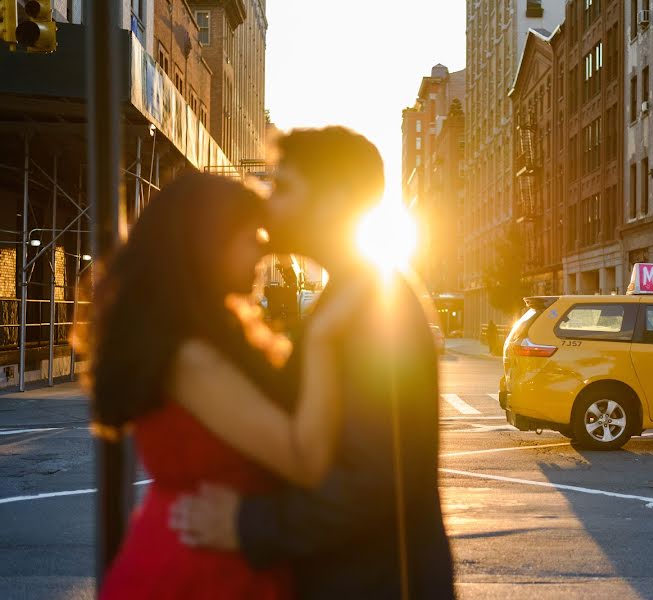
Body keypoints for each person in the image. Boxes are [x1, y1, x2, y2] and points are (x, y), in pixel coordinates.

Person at [170, 127, 455, 598]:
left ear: (335, 200)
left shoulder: (373, 305)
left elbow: (375, 480)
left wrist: (247, 524)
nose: (266, 201)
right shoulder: (349, 294)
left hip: (375, 584)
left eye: (283, 187)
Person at [84, 172, 360, 599]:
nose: (262, 252)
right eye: (251, 236)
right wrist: (323, 339)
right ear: (208, 244)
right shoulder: (192, 358)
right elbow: (304, 459)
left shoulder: (191, 339)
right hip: (197, 575)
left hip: (206, 560)